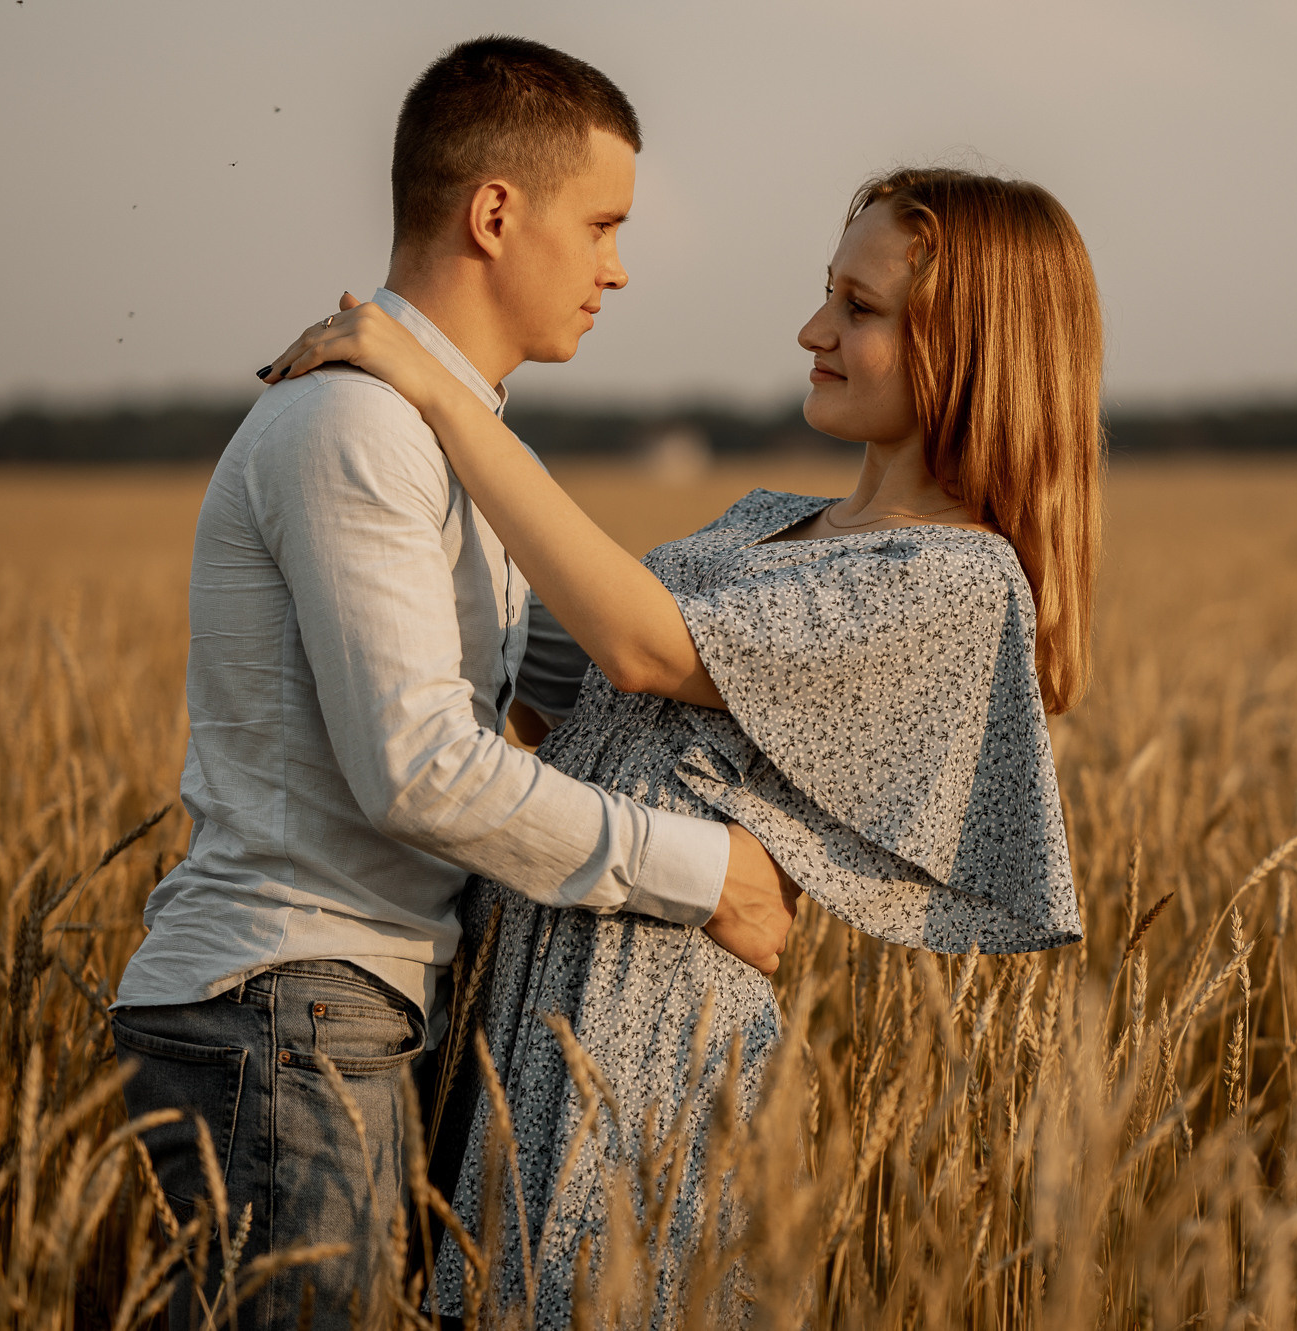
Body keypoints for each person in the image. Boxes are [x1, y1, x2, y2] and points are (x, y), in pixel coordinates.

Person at [261, 164, 1100, 1325]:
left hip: (640, 1021)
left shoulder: (951, 579)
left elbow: (643, 650)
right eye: (827, 293)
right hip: (523, 983)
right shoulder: (767, 520)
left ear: (969, 345)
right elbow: (571, 675)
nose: (812, 330)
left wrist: (440, 393)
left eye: (859, 309)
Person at [110, 38, 799, 1331]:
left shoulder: (438, 431)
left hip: (337, 1011)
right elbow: (421, 766)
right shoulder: (353, 427)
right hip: (287, 1004)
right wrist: (711, 871)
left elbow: (603, 665)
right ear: (495, 212)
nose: (619, 265)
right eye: (602, 223)